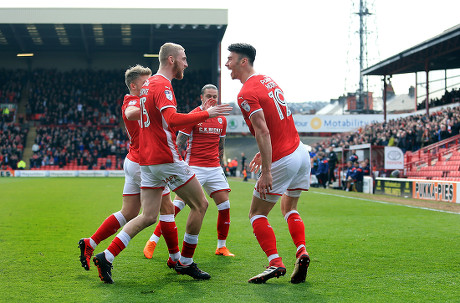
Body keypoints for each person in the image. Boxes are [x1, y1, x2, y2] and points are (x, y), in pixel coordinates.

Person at [92, 43, 232, 283]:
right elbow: (173, 120)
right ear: (171, 60)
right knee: (200, 205)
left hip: (146, 161)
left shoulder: (147, 86)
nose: (187, 63)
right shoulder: (162, 84)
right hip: (165, 158)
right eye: (184, 58)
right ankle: (185, 262)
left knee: (147, 216)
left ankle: (106, 256)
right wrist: (206, 114)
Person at [79, 65, 180, 278]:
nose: (149, 85)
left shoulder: (142, 99)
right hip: (144, 165)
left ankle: (91, 242)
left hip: (134, 161)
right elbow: (130, 112)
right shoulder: (132, 101)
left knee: (129, 212)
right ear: (134, 86)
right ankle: (176, 259)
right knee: (165, 210)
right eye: (145, 82)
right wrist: (150, 104)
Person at [225, 43, 311, 284]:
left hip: (283, 157)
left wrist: (266, 170)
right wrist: (263, 154)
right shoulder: (267, 80)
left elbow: (262, 130)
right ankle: (301, 251)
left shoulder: (245, 93)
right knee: (290, 208)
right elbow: (275, 121)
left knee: (256, 214)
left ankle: (275, 262)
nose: (226, 63)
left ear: (244, 62)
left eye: (230, 59)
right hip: (300, 151)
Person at [143, 84, 235, 259]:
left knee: (225, 206)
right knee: (177, 206)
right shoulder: (194, 116)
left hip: (214, 167)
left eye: (215, 96)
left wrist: (221, 166)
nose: (212, 99)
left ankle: (221, 247)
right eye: (208, 96)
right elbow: (179, 142)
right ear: (201, 97)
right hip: (194, 167)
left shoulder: (221, 119)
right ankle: (153, 241)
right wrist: (177, 166)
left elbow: (221, 146)